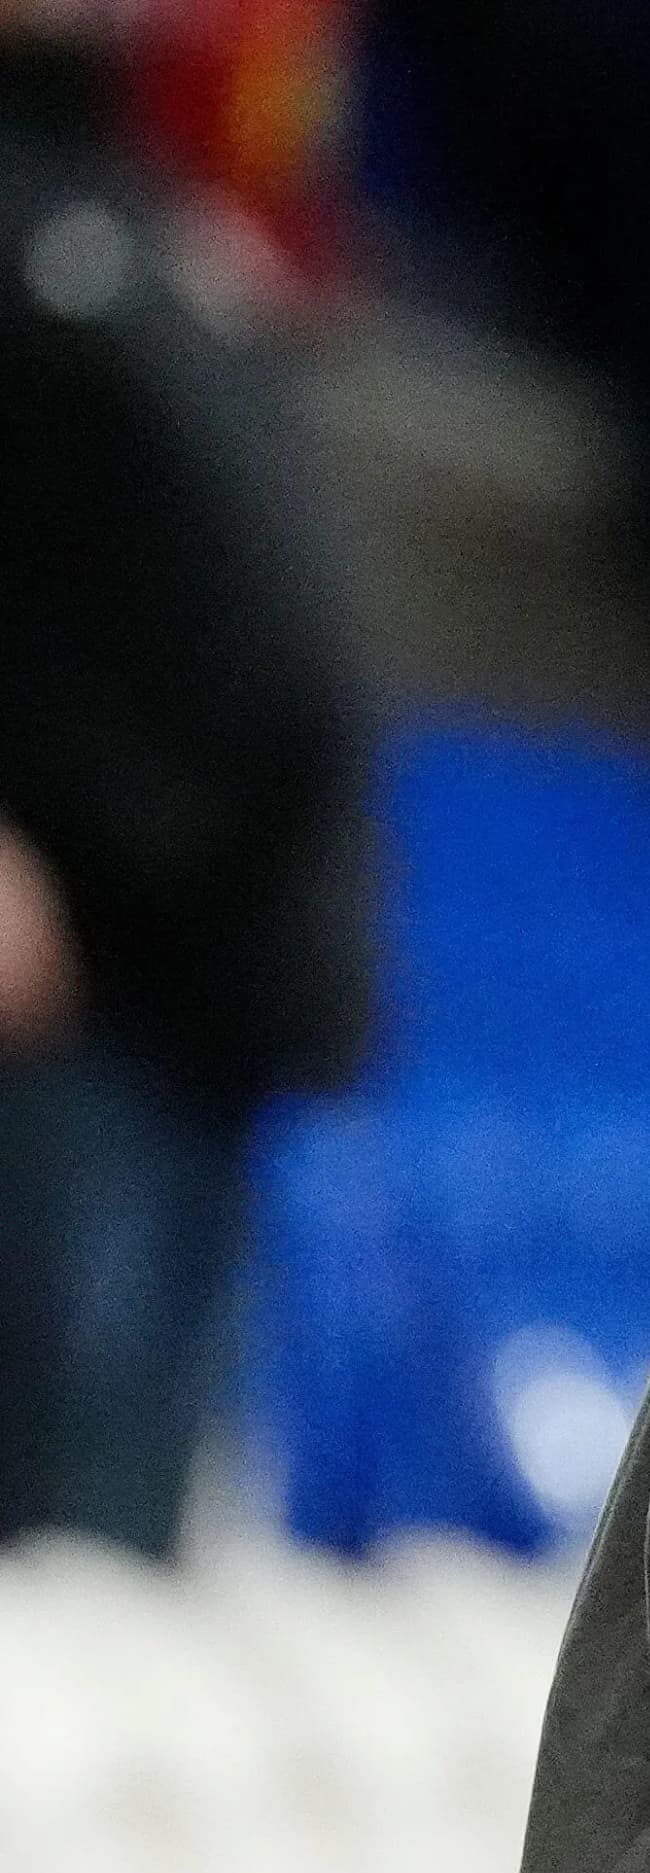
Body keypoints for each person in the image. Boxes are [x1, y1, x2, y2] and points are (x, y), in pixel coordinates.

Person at [0, 1, 372, 1551]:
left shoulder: (154, 215)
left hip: (205, 986)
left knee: (128, 1537)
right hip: (57, 983)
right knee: (53, 1537)